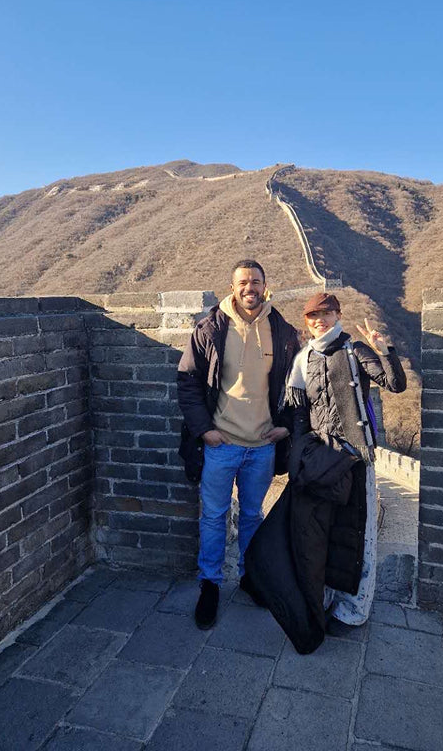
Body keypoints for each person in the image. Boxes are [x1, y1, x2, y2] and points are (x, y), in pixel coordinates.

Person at [244, 291, 406, 652]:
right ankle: (324, 596)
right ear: (307, 321)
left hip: (355, 457)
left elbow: (395, 385)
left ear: (337, 314)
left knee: (359, 533)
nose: (320, 320)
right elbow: (299, 415)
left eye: (327, 313)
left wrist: (385, 349)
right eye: (313, 316)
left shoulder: (354, 350)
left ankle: (355, 610)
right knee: (322, 532)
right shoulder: (304, 358)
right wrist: (300, 454)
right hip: (321, 460)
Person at [177, 260, 300, 629]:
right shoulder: (210, 330)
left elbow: (299, 385)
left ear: (265, 285)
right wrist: (205, 430)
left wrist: (287, 428)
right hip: (221, 443)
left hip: (261, 445)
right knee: (214, 516)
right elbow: (187, 382)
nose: (250, 288)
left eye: (256, 281)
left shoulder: (282, 331)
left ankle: (250, 578)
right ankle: (210, 585)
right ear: (233, 287)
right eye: (243, 282)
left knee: (251, 516)